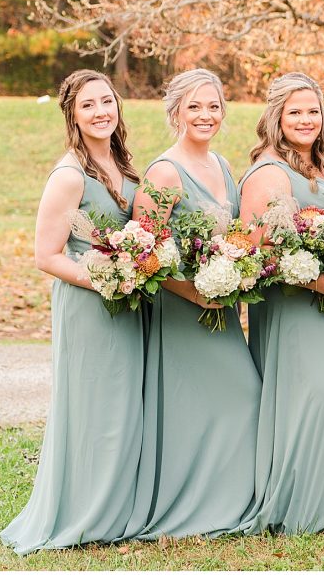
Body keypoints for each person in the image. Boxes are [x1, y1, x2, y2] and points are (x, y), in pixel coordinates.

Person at [0, 70, 144, 555]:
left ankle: (116, 507)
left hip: (127, 303)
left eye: (107, 101)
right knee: (93, 409)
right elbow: (47, 256)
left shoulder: (121, 164)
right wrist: (108, 280)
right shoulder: (69, 175)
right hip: (90, 304)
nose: (101, 111)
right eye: (89, 105)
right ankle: (84, 513)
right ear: (73, 115)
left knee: (122, 409)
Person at [124, 69, 260, 540]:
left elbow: (236, 234)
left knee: (240, 400)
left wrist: (236, 272)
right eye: (195, 107)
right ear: (176, 111)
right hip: (184, 310)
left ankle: (225, 501)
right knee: (216, 402)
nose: (206, 115)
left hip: (221, 305)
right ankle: (196, 508)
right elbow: (145, 252)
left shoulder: (221, 165)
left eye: (214, 106)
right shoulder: (164, 171)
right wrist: (196, 291)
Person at [238, 72, 324, 533]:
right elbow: (255, 248)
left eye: (313, 110)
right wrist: (315, 280)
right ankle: (299, 502)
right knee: (315, 393)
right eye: (294, 111)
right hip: (303, 305)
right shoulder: (271, 171)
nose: (305, 119)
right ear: (275, 116)